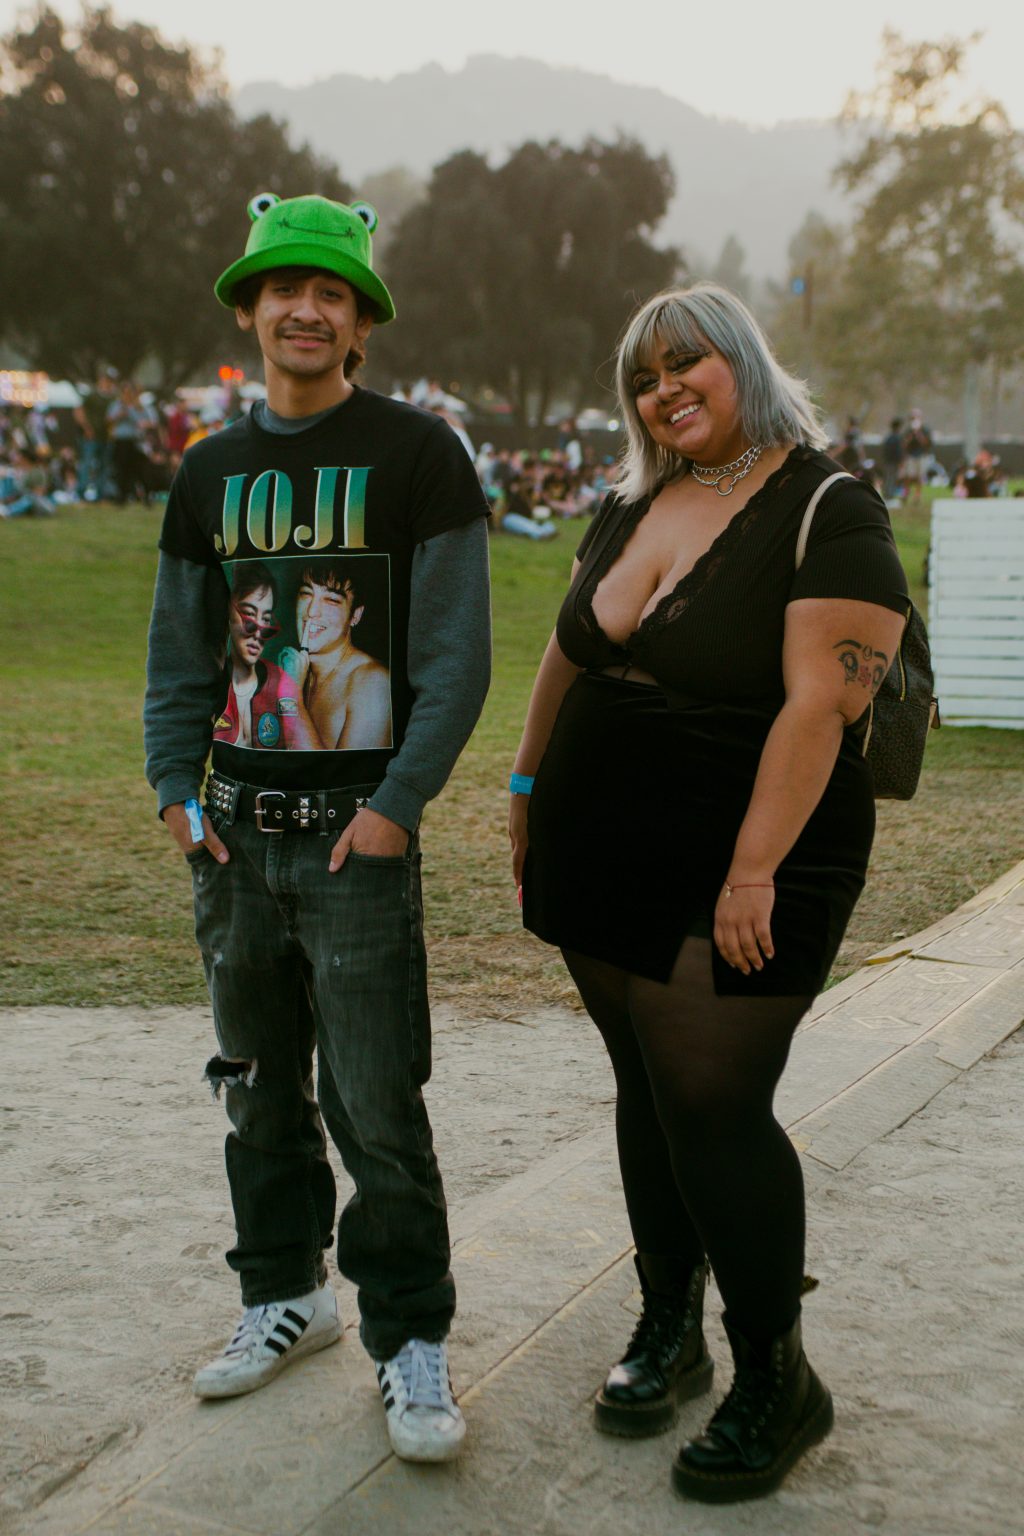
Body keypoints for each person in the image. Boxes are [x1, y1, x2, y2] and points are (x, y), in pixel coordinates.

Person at [509, 283, 908, 1503]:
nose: (664, 389)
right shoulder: (632, 501)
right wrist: (525, 783)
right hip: (599, 840)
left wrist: (751, 870)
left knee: (713, 1103)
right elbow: (568, 650)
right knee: (646, 1085)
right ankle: (668, 1325)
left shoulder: (828, 505)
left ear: (742, 359)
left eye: (687, 362)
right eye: (643, 377)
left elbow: (821, 704)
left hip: (754, 852)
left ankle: (776, 1375)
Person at [144, 191, 491, 1462]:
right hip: (234, 837)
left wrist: (398, 809)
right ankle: (285, 1296)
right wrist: (175, 790)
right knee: (255, 1090)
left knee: (376, 1102)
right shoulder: (207, 471)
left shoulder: (419, 455)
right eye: (284, 289)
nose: (304, 309)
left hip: (357, 837)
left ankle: (408, 1338)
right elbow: (180, 654)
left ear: (359, 321)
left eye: (330, 292)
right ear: (251, 310)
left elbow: (453, 660)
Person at [278, 557, 393, 750]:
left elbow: (340, 770)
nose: (312, 611)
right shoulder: (297, 673)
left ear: (355, 615)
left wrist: (291, 695)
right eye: (306, 593)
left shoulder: (373, 683)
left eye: (331, 600)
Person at [213, 561, 305, 750]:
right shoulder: (213, 680)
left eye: (266, 620)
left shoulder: (282, 682)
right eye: (249, 615)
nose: (258, 633)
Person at [901, 409, 933, 508]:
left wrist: (918, 434)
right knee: (909, 476)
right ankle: (906, 493)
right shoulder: (908, 430)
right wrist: (912, 435)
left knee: (919, 476)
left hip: (921, 455)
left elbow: (927, 443)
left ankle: (917, 495)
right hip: (910, 455)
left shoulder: (925, 429)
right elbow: (904, 444)